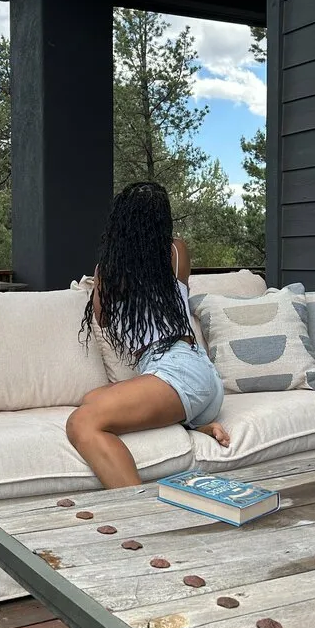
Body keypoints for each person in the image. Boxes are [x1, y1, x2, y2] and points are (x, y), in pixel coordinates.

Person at [69, 182, 227, 488]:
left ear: (119, 224)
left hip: (179, 372)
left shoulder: (112, 271)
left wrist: (104, 271)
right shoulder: (177, 252)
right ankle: (195, 426)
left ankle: (141, 510)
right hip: (200, 377)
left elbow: (102, 319)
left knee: (81, 422)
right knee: (90, 399)